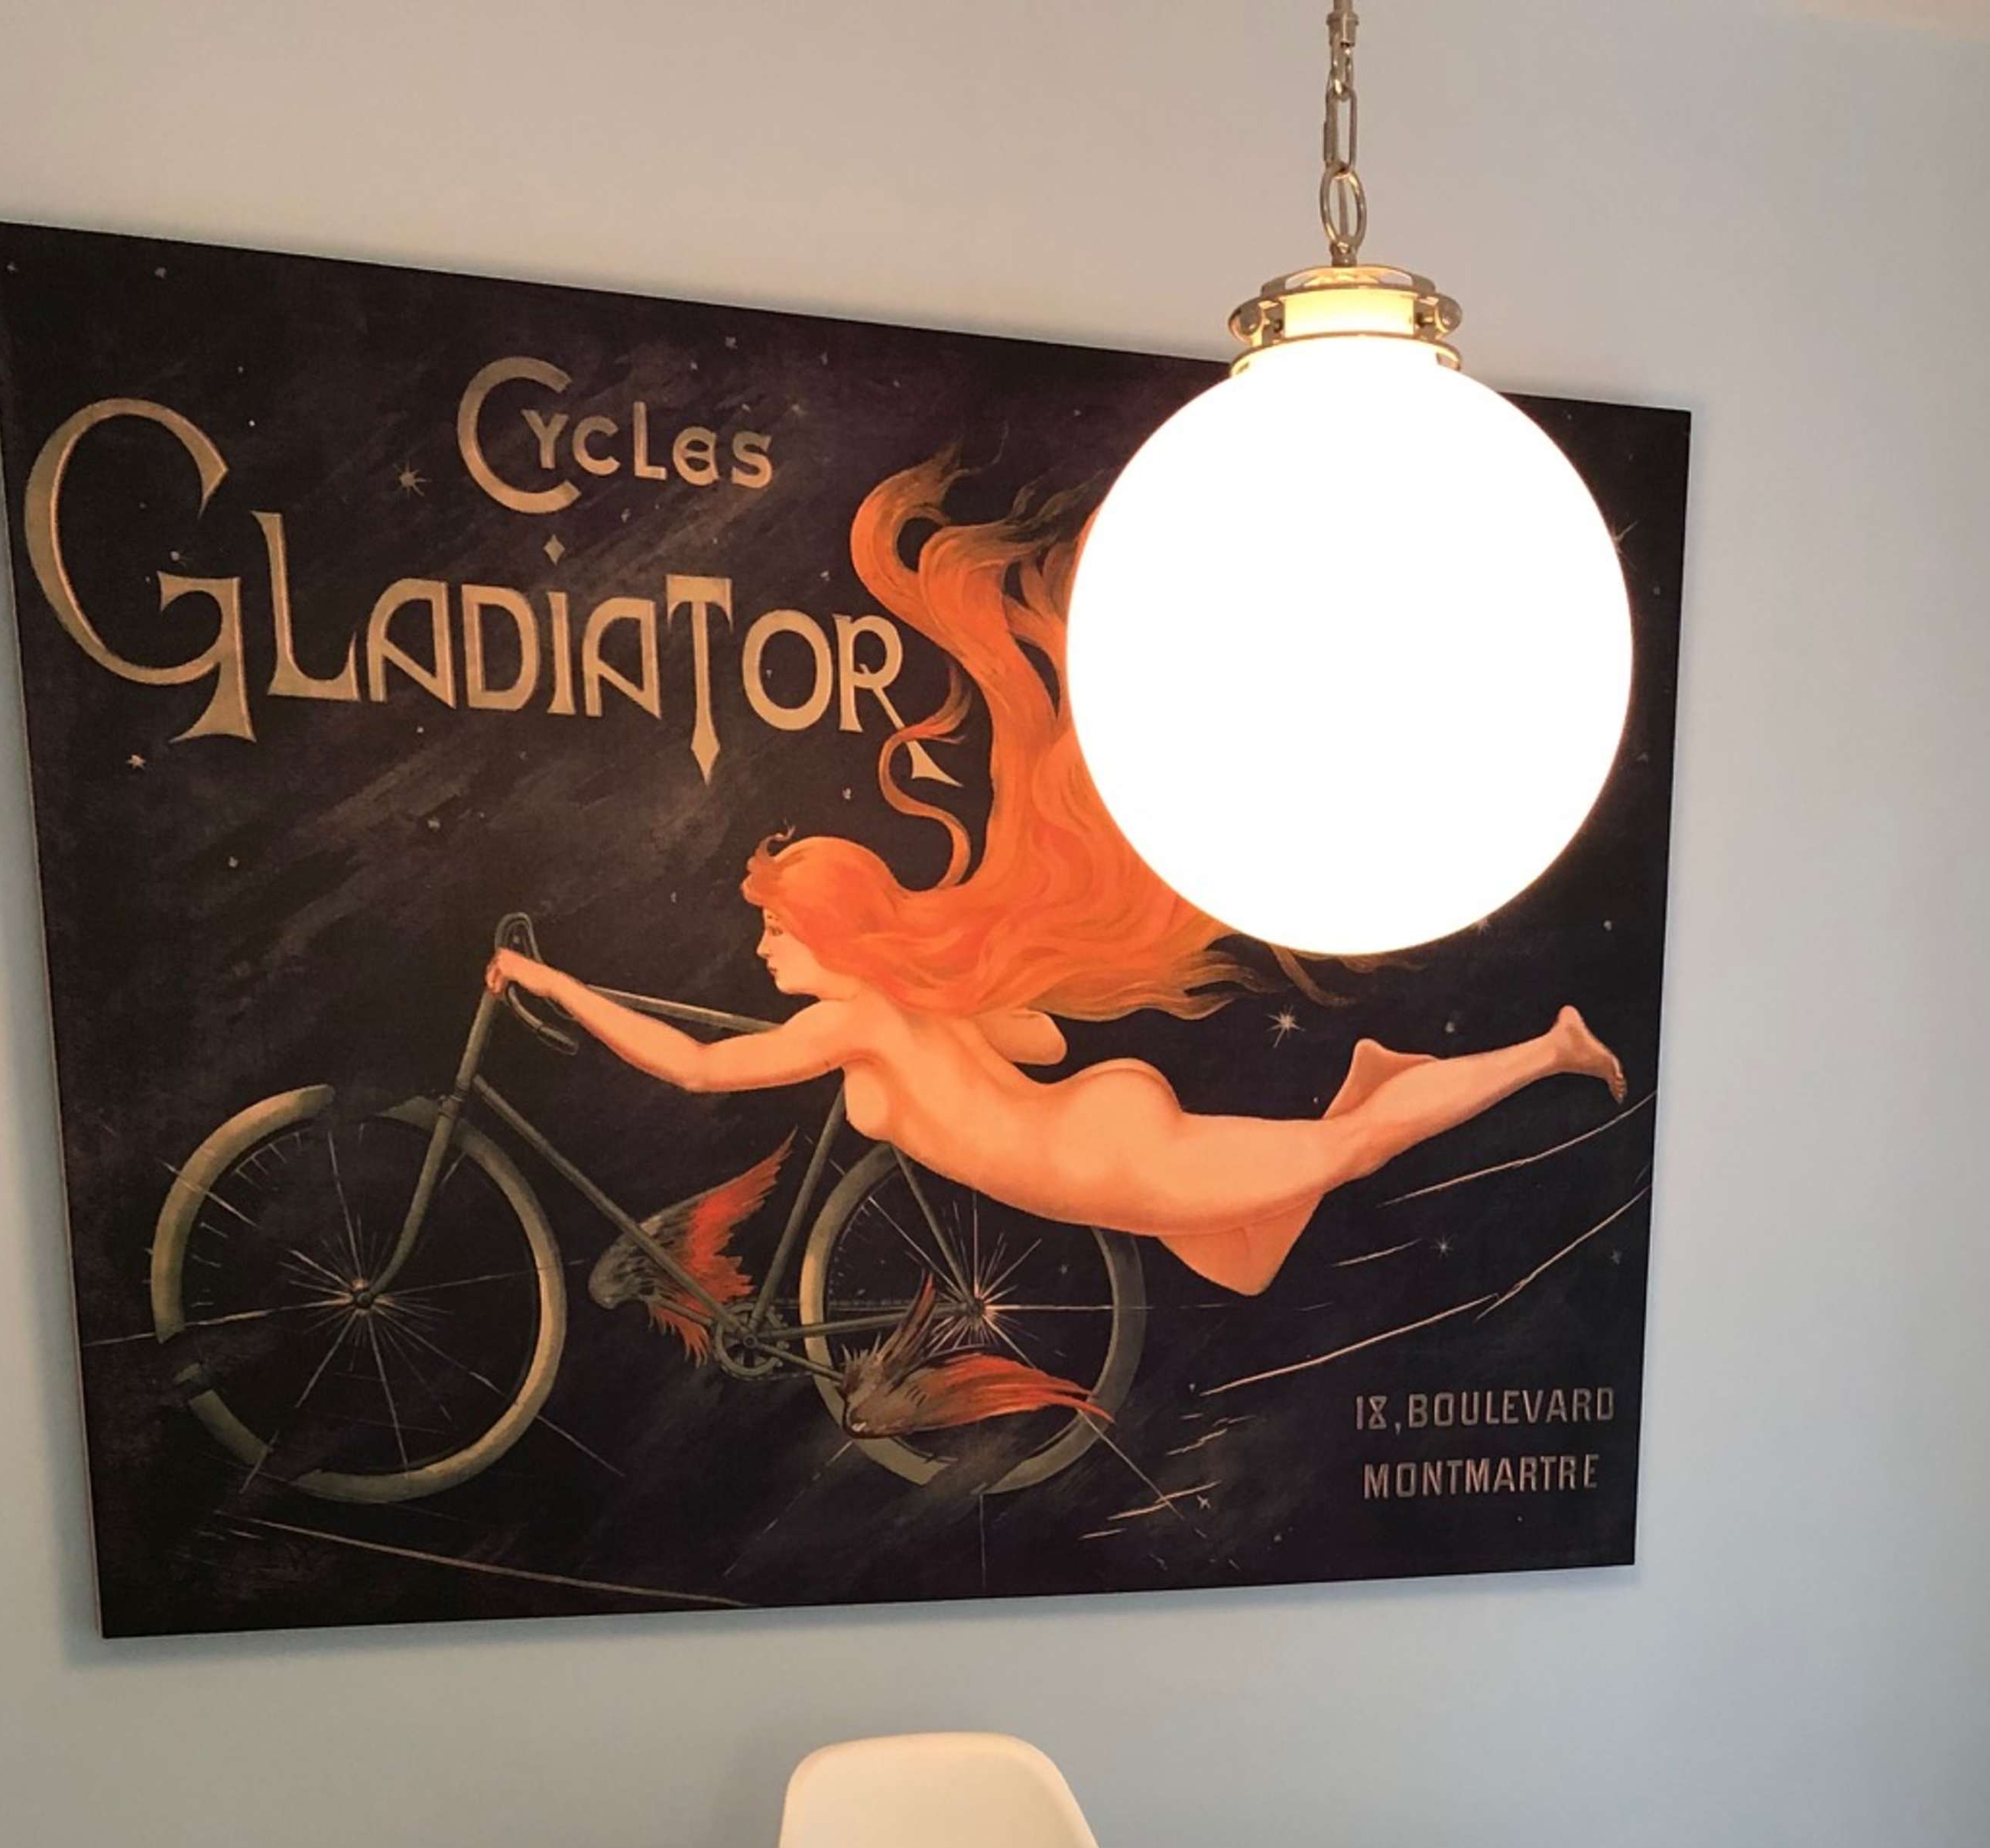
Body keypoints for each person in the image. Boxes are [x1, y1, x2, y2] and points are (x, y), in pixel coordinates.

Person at [489, 458, 1621, 1301]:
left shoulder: (868, 1015)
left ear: (831, 933)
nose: (764, 951)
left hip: (1104, 1157)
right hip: (1089, 1141)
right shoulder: (912, 996)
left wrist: (556, 988)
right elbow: (1029, 1044)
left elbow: (694, 1068)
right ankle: (1374, 1075)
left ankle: (1549, 1048)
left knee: (1348, 1156)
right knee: (1248, 1269)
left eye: (778, 930)